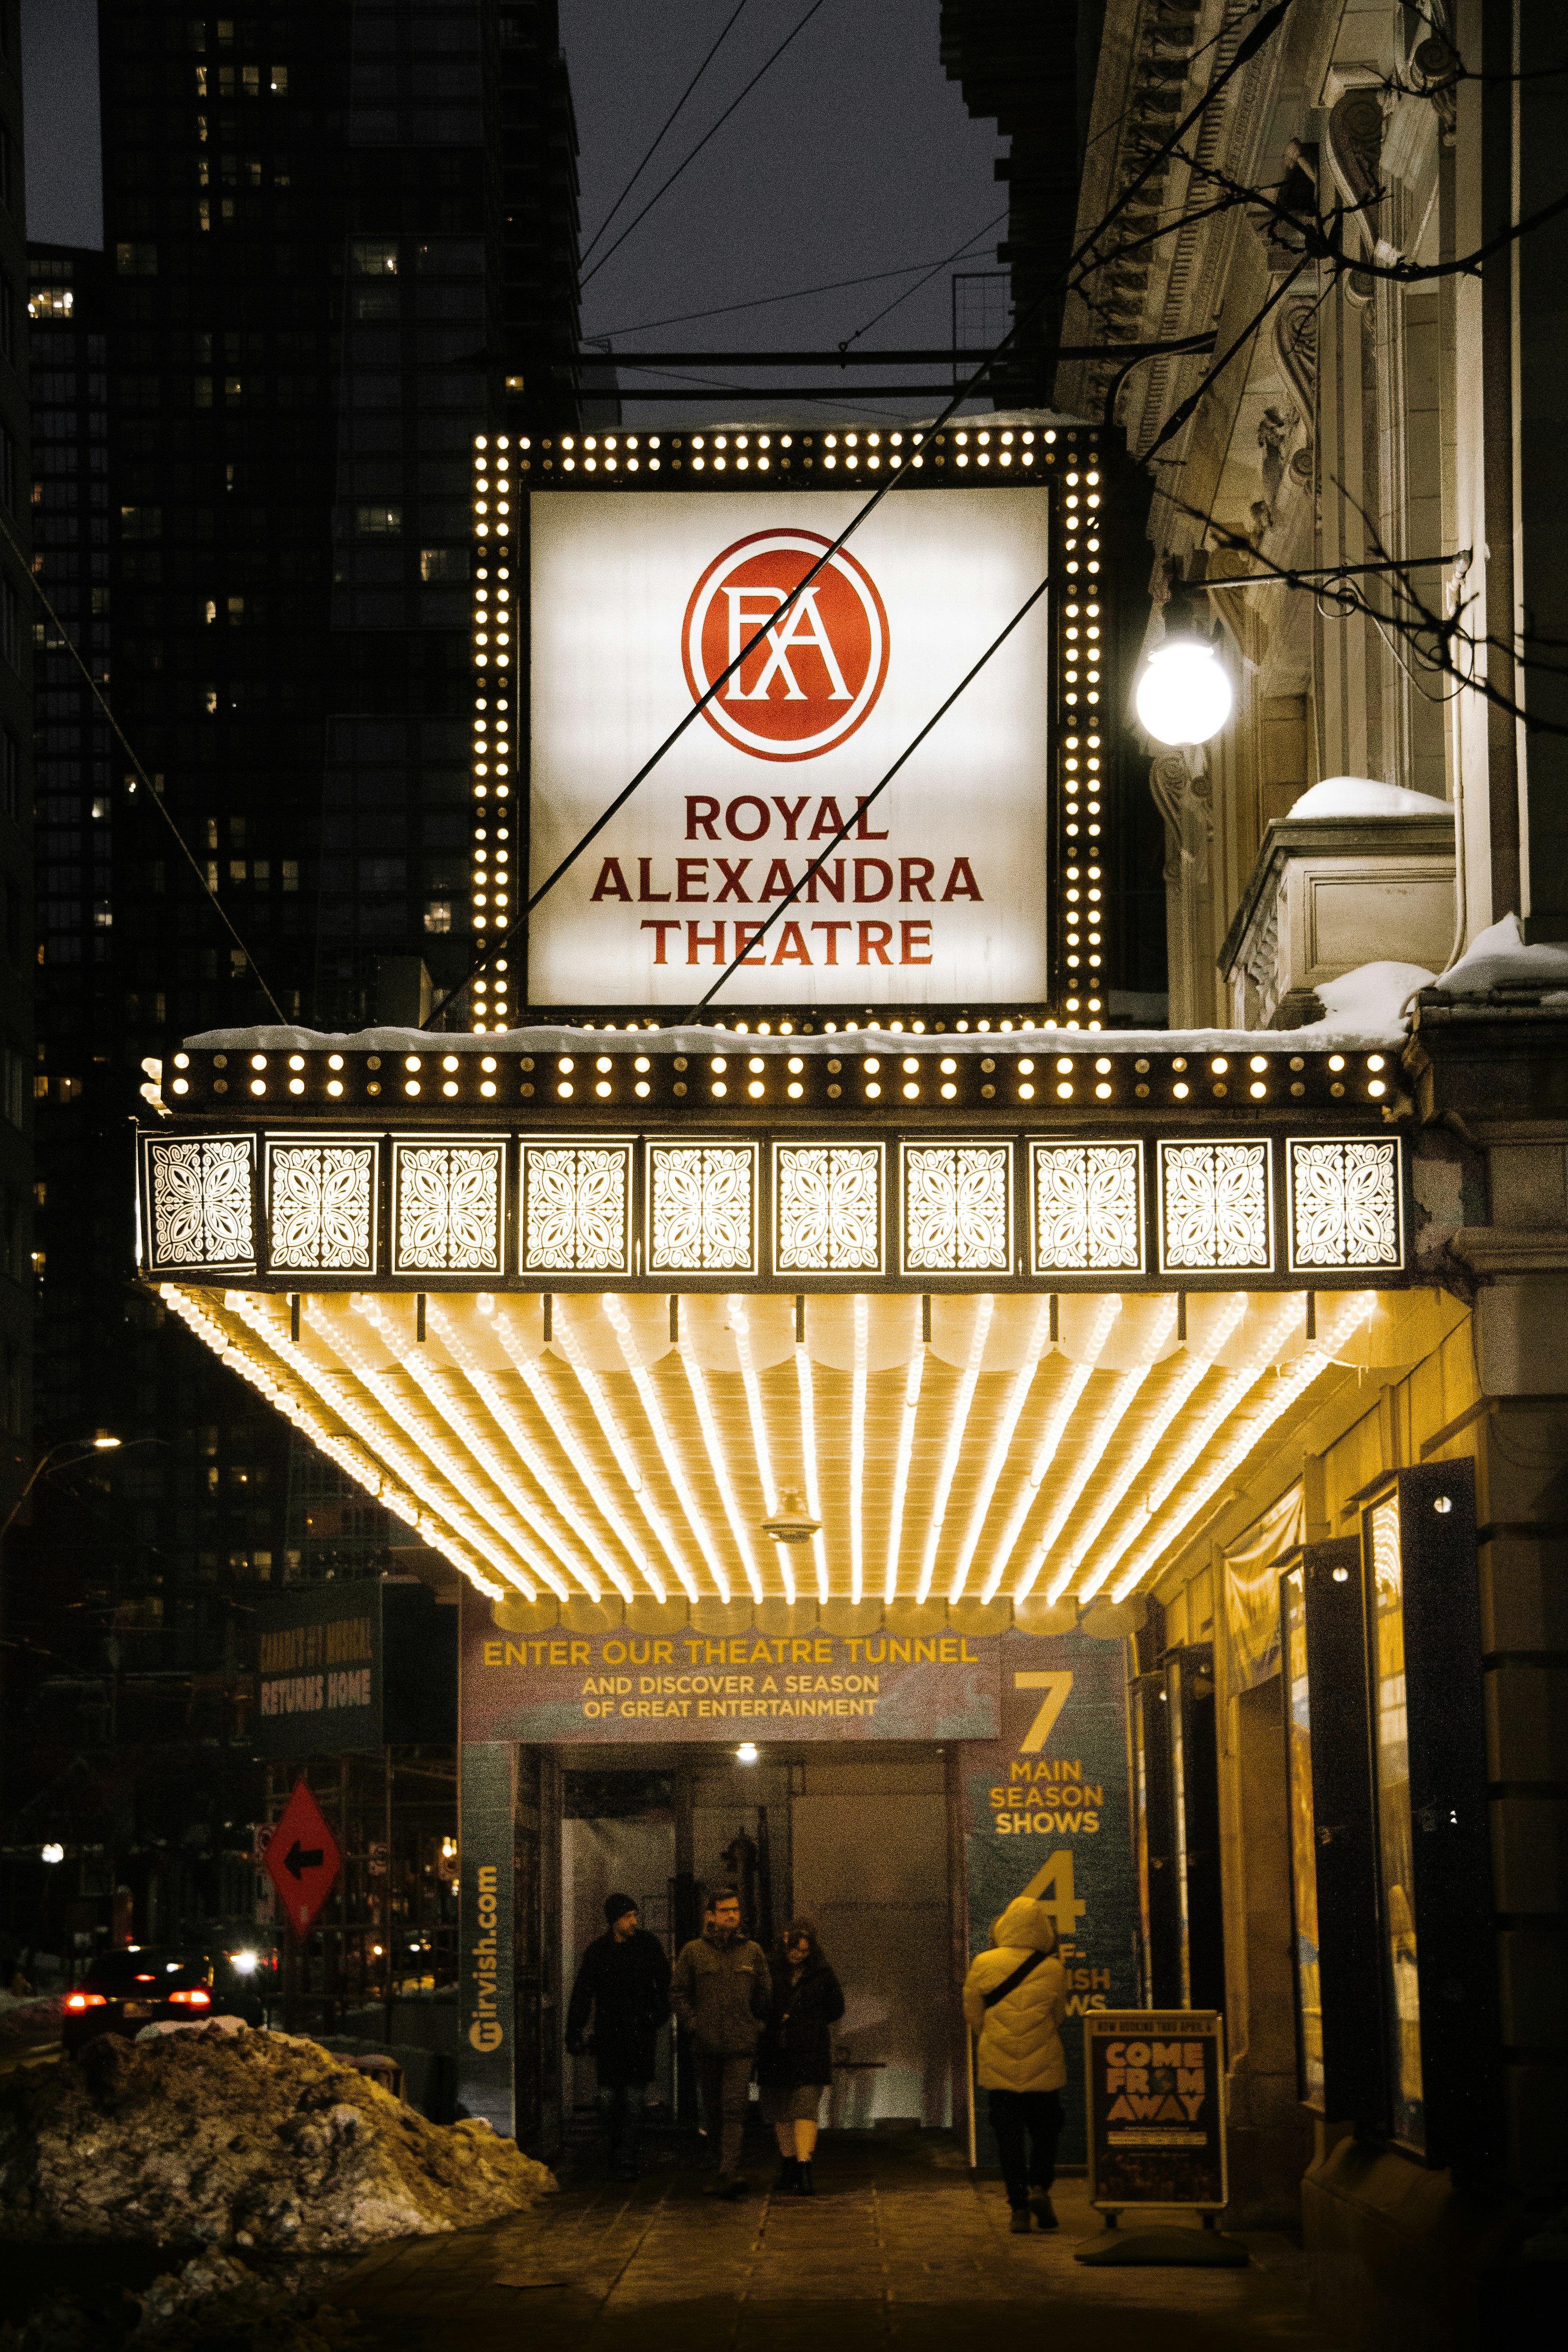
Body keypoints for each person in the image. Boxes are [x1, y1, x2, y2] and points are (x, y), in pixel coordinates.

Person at [961, 1895, 1069, 2232]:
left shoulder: (983, 1962)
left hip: (999, 2065)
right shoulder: (1053, 1968)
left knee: (1009, 2139)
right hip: (1044, 2065)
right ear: (1043, 1930)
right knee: (1046, 2131)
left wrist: (994, 2034)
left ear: (1005, 1926)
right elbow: (1059, 2017)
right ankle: (1040, 2186)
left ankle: (1018, 2208)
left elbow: (973, 2015)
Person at [669, 1883, 771, 2198]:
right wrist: (694, 2024)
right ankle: (719, 2162)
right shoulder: (693, 1952)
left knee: (733, 2108)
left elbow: (765, 1994)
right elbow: (679, 1992)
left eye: (736, 1910)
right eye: (726, 1910)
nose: (732, 1916)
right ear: (711, 1915)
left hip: (741, 2045)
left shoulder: (752, 1951)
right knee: (713, 2109)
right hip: (707, 2044)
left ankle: (730, 2168)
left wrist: (757, 2024)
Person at [565, 1892, 672, 2181]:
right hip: (616, 2034)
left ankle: (625, 2154)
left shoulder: (642, 1947)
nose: (634, 1921)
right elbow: (583, 1994)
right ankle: (621, 2150)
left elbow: (667, 1986)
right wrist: (574, 2029)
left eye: (635, 1915)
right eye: (629, 1916)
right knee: (614, 2098)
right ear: (615, 1921)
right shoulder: (601, 1952)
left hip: (633, 2032)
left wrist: (656, 2017)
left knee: (632, 2097)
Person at [757, 1918, 844, 2197]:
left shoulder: (817, 1972)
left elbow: (836, 2008)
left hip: (804, 2049)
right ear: (785, 1943)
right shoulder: (778, 1970)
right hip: (783, 2049)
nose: (798, 1956)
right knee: (781, 2108)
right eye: (795, 1950)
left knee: (803, 2108)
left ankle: (801, 2168)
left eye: (804, 1952)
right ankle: (792, 2167)